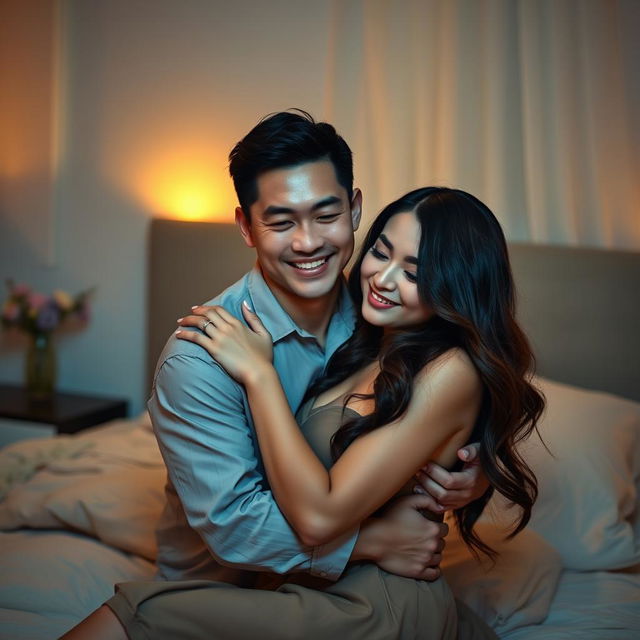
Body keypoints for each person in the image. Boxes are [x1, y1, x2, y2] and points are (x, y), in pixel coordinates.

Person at [61, 114, 494, 639]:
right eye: (282, 221)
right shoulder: (198, 360)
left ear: (355, 210)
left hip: (346, 594)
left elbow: (453, 391)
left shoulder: (380, 312)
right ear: (246, 226)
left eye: (326, 215)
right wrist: (373, 541)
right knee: (138, 614)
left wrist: (470, 470)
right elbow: (238, 525)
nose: (309, 243)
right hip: (224, 589)